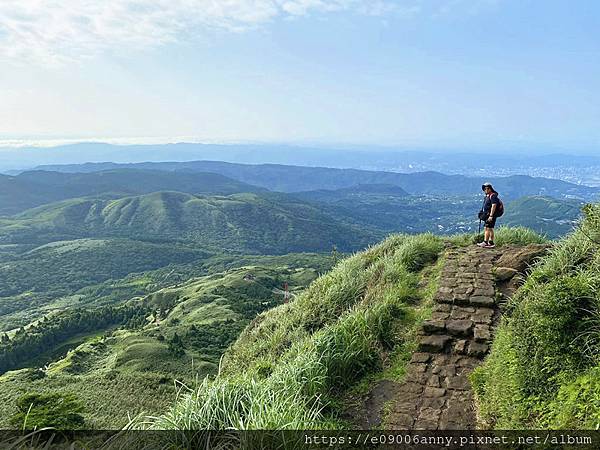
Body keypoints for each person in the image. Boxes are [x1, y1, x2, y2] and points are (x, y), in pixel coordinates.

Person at [477, 182, 501, 248]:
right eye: (485, 189)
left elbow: (494, 205)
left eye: (488, 188)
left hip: (490, 215)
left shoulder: (493, 196)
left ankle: (485, 242)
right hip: (488, 215)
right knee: (490, 228)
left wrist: (491, 216)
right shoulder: (488, 196)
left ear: (490, 189)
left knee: (487, 228)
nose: (486, 190)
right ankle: (491, 242)